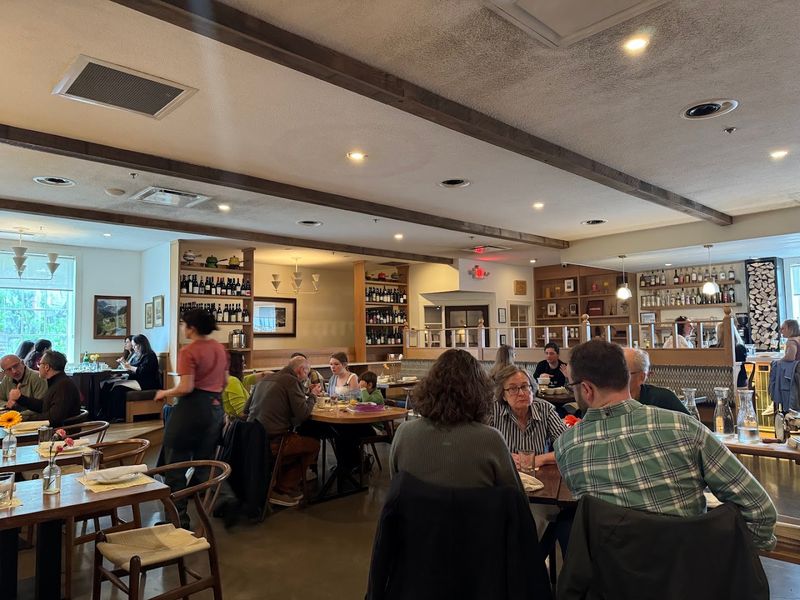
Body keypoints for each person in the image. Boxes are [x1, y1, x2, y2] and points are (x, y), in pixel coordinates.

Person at [554, 339, 777, 550]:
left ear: (586, 389)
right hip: (694, 579)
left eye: (572, 385)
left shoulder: (567, 446)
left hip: (616, 584)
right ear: (626, 378)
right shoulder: (683, 427)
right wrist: (719, 557)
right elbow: (760, 510)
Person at [390, 349, 522, 492]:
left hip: (416, 514)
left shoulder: (404, 434)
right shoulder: (490, 440)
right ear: (479, 392)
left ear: (428, 389)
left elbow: (396, 488)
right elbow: (516, 499)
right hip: (476, 514)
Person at [154, 308, 228, 529]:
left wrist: (164, 393)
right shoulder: (220, 348)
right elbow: (224, 382)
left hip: (191, 410)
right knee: (203, 464)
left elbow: (186, 387)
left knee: (175, 466)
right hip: (215, 409)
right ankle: (213, 504)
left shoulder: (189, 351)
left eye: (184, 324)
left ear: (192, 327)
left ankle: (178, 522)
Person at [245, 355, 320, 507]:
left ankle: (279, 483)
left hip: (252, 438)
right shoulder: (291, 381)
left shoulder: (266, 379)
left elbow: (245, 410)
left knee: (298, 440)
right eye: (307, 374)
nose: (306, 378)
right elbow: (303, 414)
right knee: (313, 445)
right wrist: (312, 396)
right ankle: (281, 489)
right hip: (274, 441)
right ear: (300, 371)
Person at [489, 366, 564, 468]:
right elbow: (479, 448)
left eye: (525, 386)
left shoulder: (546, 410)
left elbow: (569, 447)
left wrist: (539, 459)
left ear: (532, 389)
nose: (521, 393)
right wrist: (502, 457)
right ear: (503, 395)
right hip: (505, 474)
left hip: (540, 477)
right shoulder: (493, 411)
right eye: (513, 389)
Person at [7, 350, 81, 426]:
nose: (38, 368)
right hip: (54, 428)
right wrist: (20, 398)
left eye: (39, 364)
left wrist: (24, 420)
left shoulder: (64, 385)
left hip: (63, 432)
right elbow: (43, 406)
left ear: (47, 367)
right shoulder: (57, 382)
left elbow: (54, 418)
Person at [623, 347, 689, 415]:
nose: (613, 378)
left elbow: (691, 423)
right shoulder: (612, 403)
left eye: (621, 373)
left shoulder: (663, 399)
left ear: (641, 377)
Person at [222, 351, 248, 417]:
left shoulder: (225, 379)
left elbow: (248, 379)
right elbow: (242, 413)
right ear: (235, 364)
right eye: (242, 362)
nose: (245, 365)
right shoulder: (232, 381)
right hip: (241, 424)